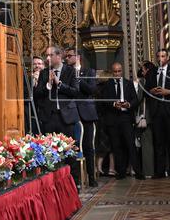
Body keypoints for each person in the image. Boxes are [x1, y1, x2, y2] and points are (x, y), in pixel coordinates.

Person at [34, 46, 82, 180]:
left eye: (50, 55)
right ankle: (52, 183)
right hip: (49, 117)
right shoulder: (44, 73)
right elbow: (37, 94)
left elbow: (75, 91)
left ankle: (74, 182)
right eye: (46, 55)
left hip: (66, 117)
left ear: (58, 56)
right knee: (49, 152)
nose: (47, 58)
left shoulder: (70, 71)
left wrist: (59, 83)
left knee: (70, 152)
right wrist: (48, 84)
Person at [142, 49, 170, 179]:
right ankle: (159, 172)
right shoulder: (151, 73)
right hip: (156, 111)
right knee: (159, 143)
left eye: (163, 56)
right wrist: (151, 91)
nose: (160, 58)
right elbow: (145, 91)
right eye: (158, 56)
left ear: (168, 57)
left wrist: (169, 92)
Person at [97, 62, 141, 180]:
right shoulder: (107, 85)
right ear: (112, 72)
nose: (117, 74)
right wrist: (113, 104)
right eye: (115, 71)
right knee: (116, 147)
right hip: (112, 119)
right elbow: (103, 101)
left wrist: (129, 104)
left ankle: (138, 171)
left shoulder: (128, 83)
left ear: (122, 71)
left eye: (119, 71)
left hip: (126, 118)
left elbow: (136, 100)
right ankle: (121, 172)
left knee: (130, 145)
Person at [66, 48, 99, 187]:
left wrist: (79, 78)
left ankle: (91, 177)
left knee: (88, 146)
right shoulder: (66, 73)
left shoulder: (89, 72)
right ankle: (76, 179)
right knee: (73, 147)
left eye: (69, 56)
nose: (67, 58)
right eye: (66, 56)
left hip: (86, 113)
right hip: (72, 113)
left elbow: (92, 90)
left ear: (77, 57)